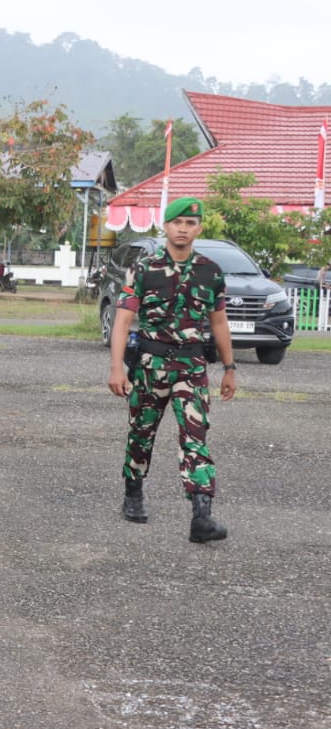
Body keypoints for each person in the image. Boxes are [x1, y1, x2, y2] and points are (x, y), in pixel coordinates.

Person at [107, 196, 232, 544]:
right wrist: (117, 368)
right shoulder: (144, 268)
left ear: (199, 228)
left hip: (192, 367)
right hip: (150, 366)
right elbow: (122, 321)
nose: (183, 229)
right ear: (165, 226)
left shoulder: (211, 271)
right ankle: (133, 493)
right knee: (141, 434)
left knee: (196, 437)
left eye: (190, 223)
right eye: (177, 222)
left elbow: (219, 321)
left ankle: (201, 515)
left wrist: (230, 367)